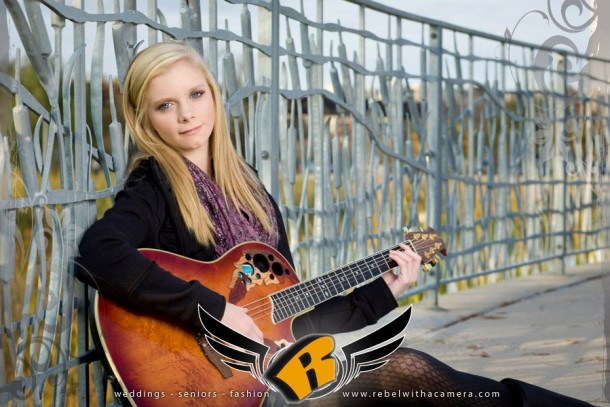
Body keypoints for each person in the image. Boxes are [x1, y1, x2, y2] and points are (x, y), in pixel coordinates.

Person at [76, 41, 592, 407]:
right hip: (211, 382)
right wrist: (213, 311)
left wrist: (383, 292)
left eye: (196, 95)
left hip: (276, 369)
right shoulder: (154, 187)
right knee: (408, 373)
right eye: (166, 105)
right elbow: (100, 250)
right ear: (145, 120)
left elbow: (300, 321)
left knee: (415, 382)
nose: (187, 114)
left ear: (213, 96)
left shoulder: (249, 191)